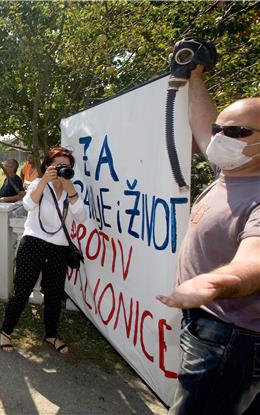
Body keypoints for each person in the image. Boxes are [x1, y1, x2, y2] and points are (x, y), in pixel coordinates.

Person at [155, 64, 260, 414]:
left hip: (230, 337)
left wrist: (214, 283)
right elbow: (204, 124)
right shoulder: (232, 168)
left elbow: (254, 261)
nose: (219, 138)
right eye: (219, 130)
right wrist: (195, 76)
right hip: (207, 324)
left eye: (236, 131)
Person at [0, 147, 87, 354]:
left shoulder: (71, 190)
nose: (60, 168)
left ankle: (51, 335)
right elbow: (28, 205)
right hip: (33, 244)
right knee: (21, 292)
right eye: (57, 165)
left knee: (54, 295)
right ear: (47, 166)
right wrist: (45, 181)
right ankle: (6, 331)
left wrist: (70, 188)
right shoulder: (39, 184)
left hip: (59, 248)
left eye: (65, 165)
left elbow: (81, 217)